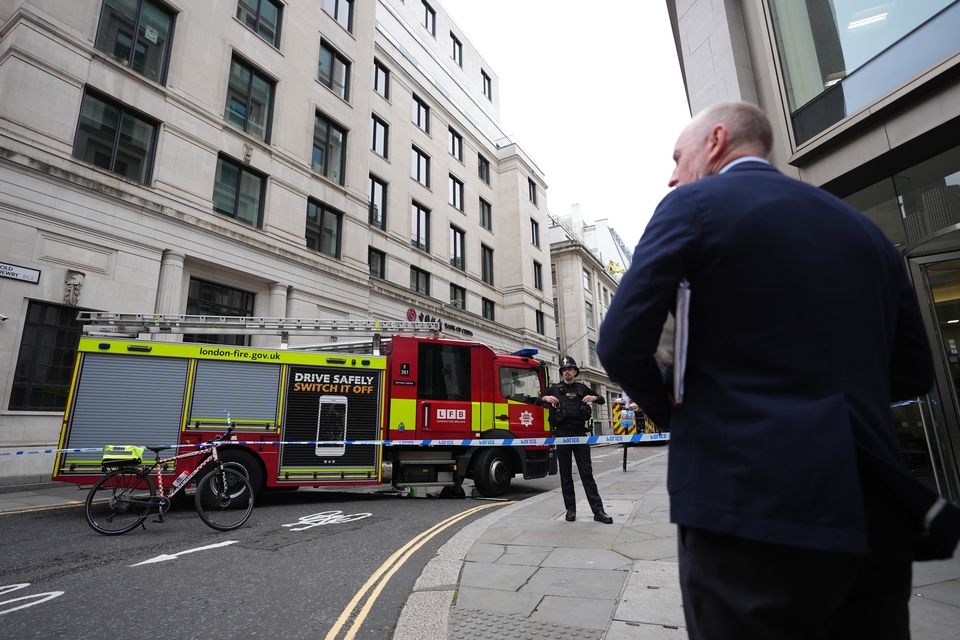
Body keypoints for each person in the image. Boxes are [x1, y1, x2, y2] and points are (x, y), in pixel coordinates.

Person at [597, 101, 959, 639]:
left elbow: (621, 342)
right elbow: (912, 374)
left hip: (747, 503)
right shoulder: (866, 233)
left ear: (716, 141)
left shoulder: (691, 206)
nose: (672, 174)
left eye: (678, 156)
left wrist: (681, 416)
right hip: (872, 507)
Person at [541, 355, 612, 524]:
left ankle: (598, 511)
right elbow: (537, 400)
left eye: (570, 369)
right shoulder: (554, 389)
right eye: (564, 370)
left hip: (580, 435)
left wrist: (594, 398)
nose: (567, 373)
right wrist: (545, 398)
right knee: (566, 475)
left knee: (587, 474)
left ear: (575, 372)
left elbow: (601, 400)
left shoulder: (582, 388)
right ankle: (570, 510)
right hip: (562, 435)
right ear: (562, 373)